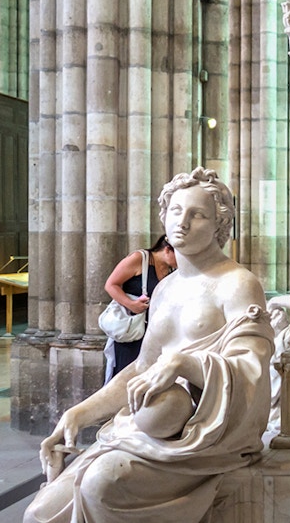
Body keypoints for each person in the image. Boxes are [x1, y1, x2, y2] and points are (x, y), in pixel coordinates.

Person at [25, 168, 274, 523]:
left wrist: (182, 364)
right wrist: (79, 413)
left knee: (99, 485)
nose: (182, 223)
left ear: (219, 224)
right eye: (176, 211)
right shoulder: (166, 289)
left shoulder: (237, 284)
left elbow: (250, 369)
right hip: (144, 429)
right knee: (39, 513)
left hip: (204, 435)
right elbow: (142, 368)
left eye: (197, 214)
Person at [102, 234, 178, 379]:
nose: (182, 261)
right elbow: (111, 285)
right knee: (126, 376)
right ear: (167, 250)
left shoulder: (171, 271)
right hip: (133, 330)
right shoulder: (140, 258)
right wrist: (131, 304)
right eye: (179, 256)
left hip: (155, 332)